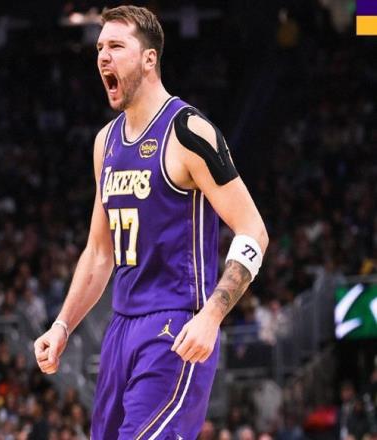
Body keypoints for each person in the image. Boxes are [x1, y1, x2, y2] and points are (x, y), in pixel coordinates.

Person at [34, 5, 268, 439]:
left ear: (149, 59)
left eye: (116, 46)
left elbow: (253, 229)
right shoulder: (105, 142)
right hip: (120, 328)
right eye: (99, 48)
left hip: (175, 326)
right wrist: (63, 325)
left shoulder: (188, 131)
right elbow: (99, 252)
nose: (103, 56)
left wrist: (212, 315)